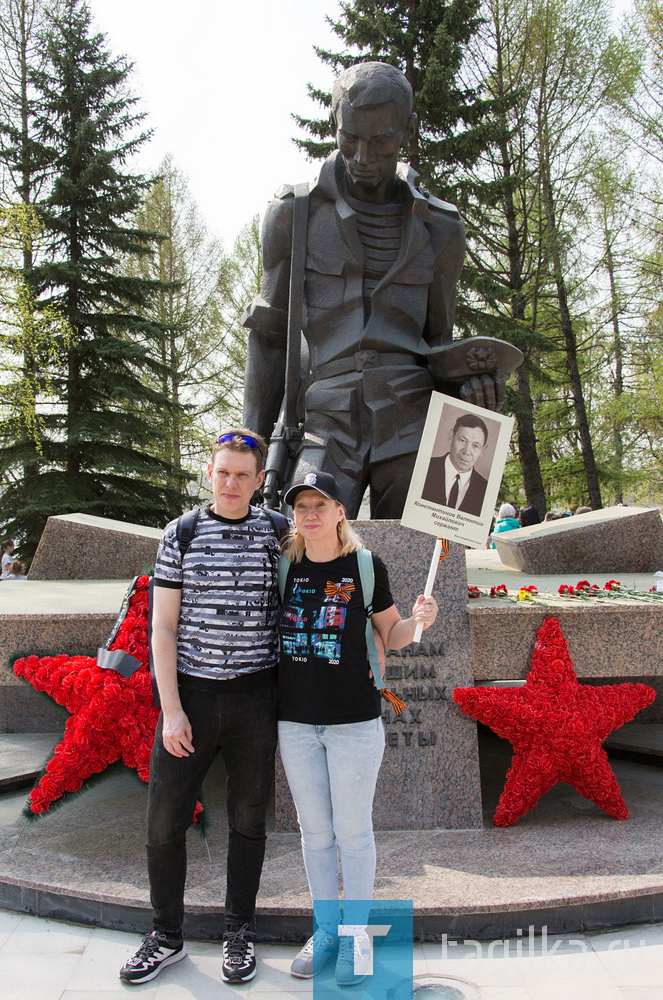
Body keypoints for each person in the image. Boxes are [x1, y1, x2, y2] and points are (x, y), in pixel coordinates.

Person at [242, 61, 517, 518]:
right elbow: (270, 336)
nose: (362, 157)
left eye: (381, 141)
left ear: (408, 130)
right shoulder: (292, 213)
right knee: (303, 555)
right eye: (350, 139)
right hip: (326, 425)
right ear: (336, 126)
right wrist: (249, 447)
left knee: (421, 568)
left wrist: (475, 391)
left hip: (412, 424)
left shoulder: (442, 227)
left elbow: (438, 344)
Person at [119, 429, 283, 987]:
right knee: (164, 821)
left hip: (257, 700)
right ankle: (166, 934)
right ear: (208, 474)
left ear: (259, 481)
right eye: (223, 472)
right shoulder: (181, 534)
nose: (232, 483)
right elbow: (162, 626)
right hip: (190, 696)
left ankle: (239, 933)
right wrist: (172, 710)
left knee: (248, 820)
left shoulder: (276, 534)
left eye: (244, 474)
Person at [277, 471, 438, 986]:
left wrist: (420, 623)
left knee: (352, 832)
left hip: (353, 721)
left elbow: (391, 635)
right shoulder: (285, 564)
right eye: (302, 505)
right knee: (315, 834)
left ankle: (356, 937)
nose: (310, 514)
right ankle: (326, 930)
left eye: (320, 504)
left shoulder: (365, 566)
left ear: (340, 511)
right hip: (295, 722)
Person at [421, 414, 489, 517]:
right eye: (462, 441)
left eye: (475, 446)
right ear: (451, 438)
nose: (466, 451)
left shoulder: (486, 490)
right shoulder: (423, 468)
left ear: (483, 450)